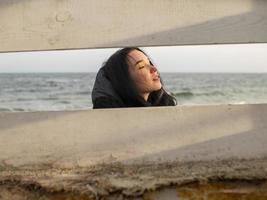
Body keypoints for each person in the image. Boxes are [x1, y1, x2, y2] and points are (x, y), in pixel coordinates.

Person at [92, 47, 176, 108]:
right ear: (124, 80)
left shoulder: (165, 107)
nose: (154, 69)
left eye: (149, 62)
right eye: (141, 66)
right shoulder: (114, 120)